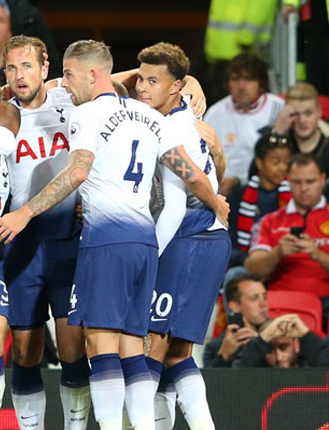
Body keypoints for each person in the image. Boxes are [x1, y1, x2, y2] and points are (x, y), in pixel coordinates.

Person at [0, 40, 227, 430]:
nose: (64, 83)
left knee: (100, 349)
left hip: (105, 241)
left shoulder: (85, 114)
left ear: (90, 75)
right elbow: (187, 169)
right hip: (145, 243)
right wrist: (216, 202)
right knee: (133, 349)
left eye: (68, 74)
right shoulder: (147, 114)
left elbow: (78, 171)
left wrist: (24, 212)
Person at [134, 42, 230, 430]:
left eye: (152, 81)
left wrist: (149, 258)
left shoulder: (170, 129)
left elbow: (174, 205)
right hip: (207, 237)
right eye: (141, 78)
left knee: (152, 346)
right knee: (177, 353)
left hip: (189, 235)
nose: (142, 87)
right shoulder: (185, 110)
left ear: (175, 87)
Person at [0, 35, 88, 430]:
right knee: (25, 352)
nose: (20, 75)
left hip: (68, 241)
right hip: (20, 246)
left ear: (45, 68)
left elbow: (113, 82)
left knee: (72, 349)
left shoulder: (70, 101)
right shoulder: (0, 116)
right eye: (11, 68)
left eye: (27, 66)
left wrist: (191, 83)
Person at [245, 154, 329, 321]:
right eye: (297, 182)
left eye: (310, 182)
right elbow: (252, 269)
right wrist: (277, 253)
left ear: (322, 180)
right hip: (278, 303)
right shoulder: (270, 221)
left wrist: (318, 255)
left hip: (325, 303)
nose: (303, 188)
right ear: (288, 181)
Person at [203, 53, 284, 196]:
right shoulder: (215, 113)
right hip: (221, 190)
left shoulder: (278, 108)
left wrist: (238, 181)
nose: (241, 86)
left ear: (261, 84)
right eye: (235, 79)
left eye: (248, 79)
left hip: (266, 190)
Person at [232, 134, 291, 264]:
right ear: (259, 162)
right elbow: (230, 241)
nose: (283, 167)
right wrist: (251, 261)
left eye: (286, 162)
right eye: (275, 162)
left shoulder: (294, 194)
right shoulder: (239, 195)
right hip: (248, 262)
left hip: (286, 260)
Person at [202, 273, 269, 368]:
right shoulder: (216, 347)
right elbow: (210, 377)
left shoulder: (278, 337)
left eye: (265, 297)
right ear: (235, 306)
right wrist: (223, 356)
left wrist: (258, 341)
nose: (263, 304)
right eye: (254, 298)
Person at [269, 82, 329, 174]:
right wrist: (278, 133)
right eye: (295, 114)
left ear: (319, 112)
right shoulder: (278, 140)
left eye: (308, 113)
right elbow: (256, 173)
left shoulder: (326, 145)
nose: (302, 120)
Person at [234, 313, 329, 368]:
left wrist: (306, 335)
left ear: (296, 345)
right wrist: (263, 338)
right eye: (270, 350)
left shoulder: (311, 369)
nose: (279, 358)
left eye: (283, 347)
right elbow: (236, 378)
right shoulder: (258, 374)